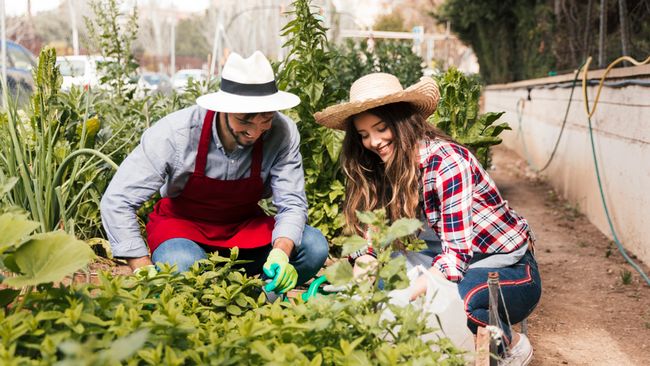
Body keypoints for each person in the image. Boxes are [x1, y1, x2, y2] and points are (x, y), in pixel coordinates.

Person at [314, 72, 541, 365]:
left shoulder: (446, 163)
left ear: (402, 121)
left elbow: (456, 259)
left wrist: (408, 298)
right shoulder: (383, 164)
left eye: (381, 128)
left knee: (456, 303)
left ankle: (511, 344)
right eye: (364, 135)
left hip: (505, 269)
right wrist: (361, 288)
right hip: (446, 258)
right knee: (378, 284)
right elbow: (372, 244)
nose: (374, 142)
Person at [100, 51, 329, 294]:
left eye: (266, 119)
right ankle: (224, 295)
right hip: (182, 229)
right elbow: (118, 200)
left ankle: (257, 297)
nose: (256, 132)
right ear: (224, 108)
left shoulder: (283, 132)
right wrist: (141, 266)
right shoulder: (175, 133)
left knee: (313, 247)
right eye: (245, 121)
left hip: (244, 229)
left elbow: (292, 204)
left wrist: (281, 253)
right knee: (183, 264)